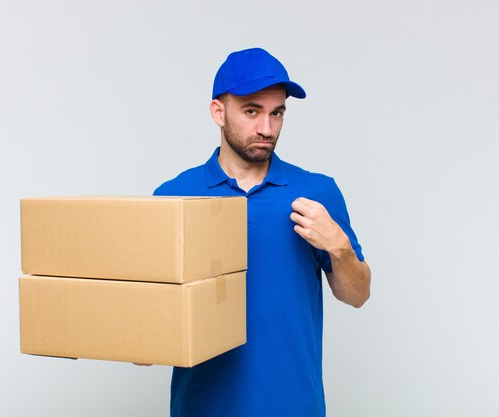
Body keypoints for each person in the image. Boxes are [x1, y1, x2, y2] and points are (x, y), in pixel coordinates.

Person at [153, 47, 371, 417]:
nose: (267, 129)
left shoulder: (316, 194)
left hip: (294, 407)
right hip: (201, 408)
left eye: (277, 113)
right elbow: (152, 323)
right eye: (252, 111)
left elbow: (357, 295)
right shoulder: (173, 196)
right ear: (218, 112)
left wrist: (340, 249)